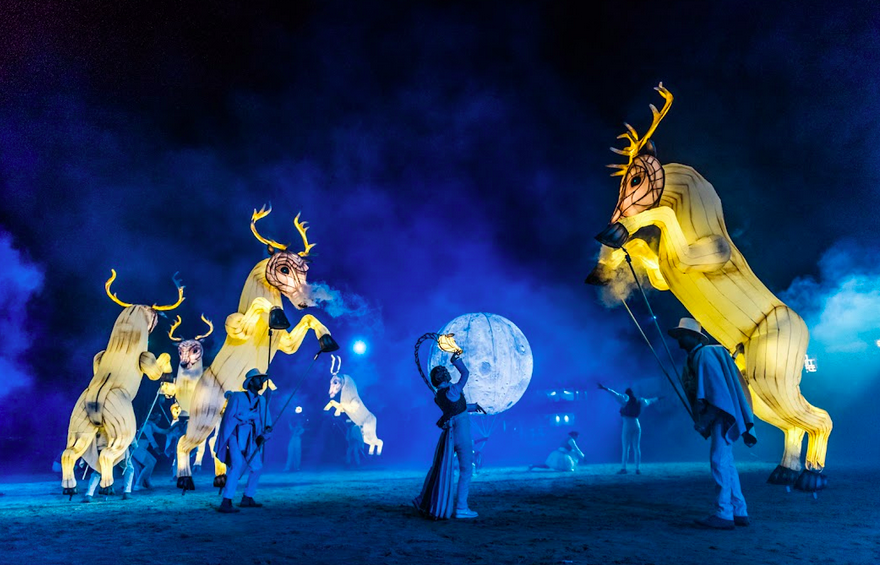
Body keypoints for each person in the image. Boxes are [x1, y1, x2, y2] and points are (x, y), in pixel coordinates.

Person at [668, 317, 757, 530]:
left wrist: (705, 420)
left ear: (694, 337)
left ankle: (723, 514)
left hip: (721, 415)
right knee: (726, 463)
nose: (678, 339)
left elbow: (718, 394)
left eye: (682, 335)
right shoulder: (696, 357)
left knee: (719, 461)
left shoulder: (706, 355)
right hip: (720, 415)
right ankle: (739, 510)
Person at [413, 352, 485, 520]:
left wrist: (473, 407)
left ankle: (432, 500)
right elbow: (465, 373)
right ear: (444, 376)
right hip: (462, 434)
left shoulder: (439, 395)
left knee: (441, 467)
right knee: (466, 470)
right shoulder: (453, 390)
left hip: (450, 435)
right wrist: (456, 360)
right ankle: (461, 507)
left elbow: (456, 409)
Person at [214, 368, 273, 513]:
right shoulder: (237, 397)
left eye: (262, 380)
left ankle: (247, 497)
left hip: (251, 437)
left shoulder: (262, 400)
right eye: (258, 379)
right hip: (235, 435)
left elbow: (266, 420)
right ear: (251, 382)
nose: (261, 382)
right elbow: (229, 418)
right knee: (237, 465)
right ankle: (226, 501)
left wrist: (266, 431)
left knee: (257, 467)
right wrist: (247, 416)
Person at [597, 384, 660, 475]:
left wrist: (604, 388)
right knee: (636, 447)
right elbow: (650, 401)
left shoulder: (625, 400)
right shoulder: (640, 401)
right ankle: (637, 469)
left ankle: (624, 468)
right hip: (636, 424)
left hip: (627, 424)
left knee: (626, 448)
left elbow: (614, 394)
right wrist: (658, 398)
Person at [132, 411, 169, 490]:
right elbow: (151, 440)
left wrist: (174, 426)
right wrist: (157, 450)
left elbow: (163, 431)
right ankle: (138, 484)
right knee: (149, 464)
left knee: (153, 461)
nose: (159, 420)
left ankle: (147, 482)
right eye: (158, 418)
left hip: (142, 448)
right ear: (153, 417)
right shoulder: (147, 426)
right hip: (137, 448)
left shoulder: (151, 425)